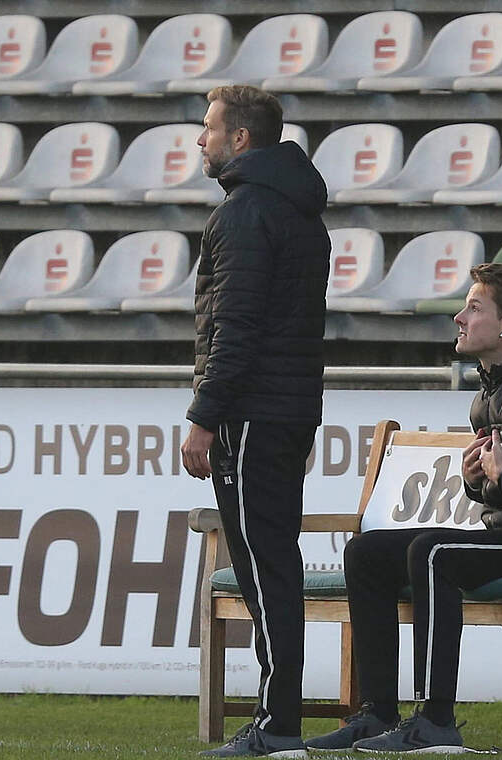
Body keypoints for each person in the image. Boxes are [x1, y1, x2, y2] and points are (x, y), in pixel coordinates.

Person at [306, 263, 502, 753]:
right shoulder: (495, 388)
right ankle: (375, 713)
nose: (459, 317)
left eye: (474, 308)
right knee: (367, 552)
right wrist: (478, 483)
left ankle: (435, 722)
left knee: (434, 552)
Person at [179, 84, 329, 758]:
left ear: (241, 139)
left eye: (209, 128)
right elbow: (304, 333)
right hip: (286, 410)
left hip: (252, 415)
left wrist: (204, 418)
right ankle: (282, 719)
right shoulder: (301, 212)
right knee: (275, 564)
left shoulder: (244, 215)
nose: (200, 140)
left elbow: (233, 329)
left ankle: (279, 725)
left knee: (264, 570)